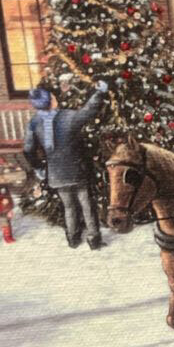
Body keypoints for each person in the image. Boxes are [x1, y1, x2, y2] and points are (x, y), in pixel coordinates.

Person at [23, 81, 110, 249]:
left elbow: (27, 149)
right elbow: (89, 110)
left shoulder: (34, 123)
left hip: (56, 174)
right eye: (53, 97)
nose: (55, 98)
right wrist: (100, 92)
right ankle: (94, 239)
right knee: (87, 204)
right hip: (77, 171)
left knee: (68, 207)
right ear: (51, 102)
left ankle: (72, 238)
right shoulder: (68, 117)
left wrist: (39, 168)